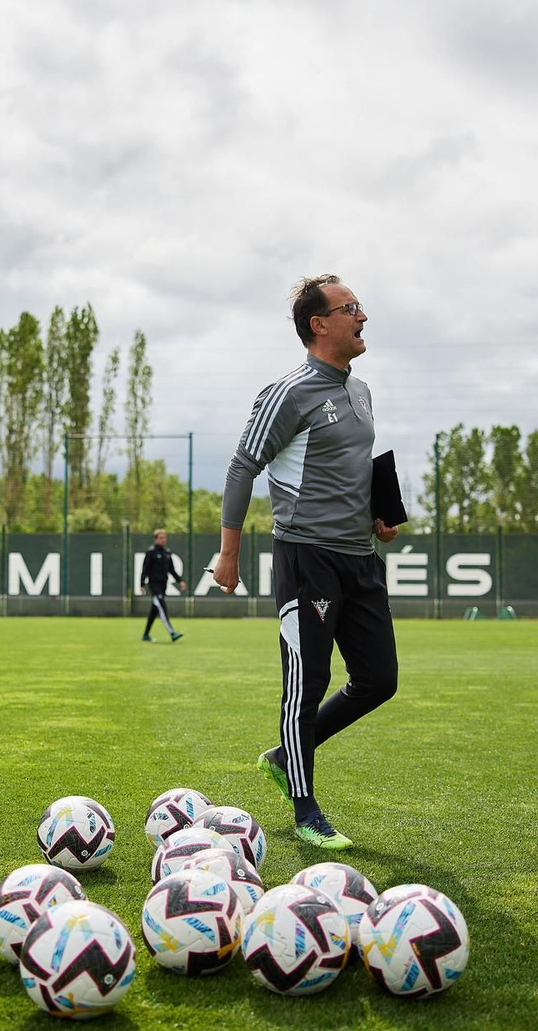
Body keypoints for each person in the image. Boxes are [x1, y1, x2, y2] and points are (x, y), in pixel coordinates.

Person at [211, 274, 399, 851]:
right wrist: (228, 553)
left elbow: (352, 464)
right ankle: (306, 811)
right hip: (306, 558)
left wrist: (377, 514)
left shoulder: (361, 390)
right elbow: (244, 466)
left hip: (360, 558)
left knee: (378, 680)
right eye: (352, 308)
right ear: (320, 325)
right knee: (306, 684)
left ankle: (283, 753)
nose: (363, 316)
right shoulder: (287, 393)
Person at [138, 528, 187, 642]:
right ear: (155, 539)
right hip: (154, 586)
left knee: (154, 611)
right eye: (161, 538)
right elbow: (144, 569)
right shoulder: (151, 552)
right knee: (162, 607)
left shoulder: (167, 553)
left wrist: (180, 581)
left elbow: (172, 570)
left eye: (164, 538)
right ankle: (172, 633)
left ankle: (145, 635)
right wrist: (142, 584)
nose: (163, 540)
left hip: (163, 585)